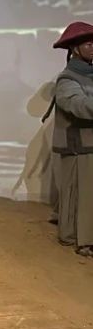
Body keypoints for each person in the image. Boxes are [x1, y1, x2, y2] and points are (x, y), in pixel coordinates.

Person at [51, 21, 93, 257]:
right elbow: (76, 105)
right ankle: (83, 239)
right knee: (81, 193)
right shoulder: (67, 78)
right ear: (75, 48)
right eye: (88, 44)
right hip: (78, 144)